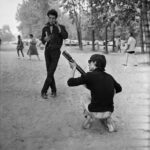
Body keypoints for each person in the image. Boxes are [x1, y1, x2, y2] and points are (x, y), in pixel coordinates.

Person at [67, 54, 122, 132]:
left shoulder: (89, 75)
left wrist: (73, 69)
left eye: (90, 61)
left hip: (94, 111)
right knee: (99, 97)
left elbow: (70, 82)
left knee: (84, 96)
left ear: (95, 62)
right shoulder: (109, 77)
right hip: (109, 111)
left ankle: (89, 117)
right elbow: (119, 89)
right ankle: (108, 120)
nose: (88, 63)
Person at [40, 9, 68, 99]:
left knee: (51, 72)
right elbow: (42, 39)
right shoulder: (45, 28)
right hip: (47, 51)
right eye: (50, 18)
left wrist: (59, 28)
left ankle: (43, 91)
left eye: (53, 18)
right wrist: (45, 39)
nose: (51, 20)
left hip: (56, 52)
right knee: (50, 72)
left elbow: (65, 36)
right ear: (48, 18)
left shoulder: (61, 27)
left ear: (56, 18)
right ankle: (54, 91)